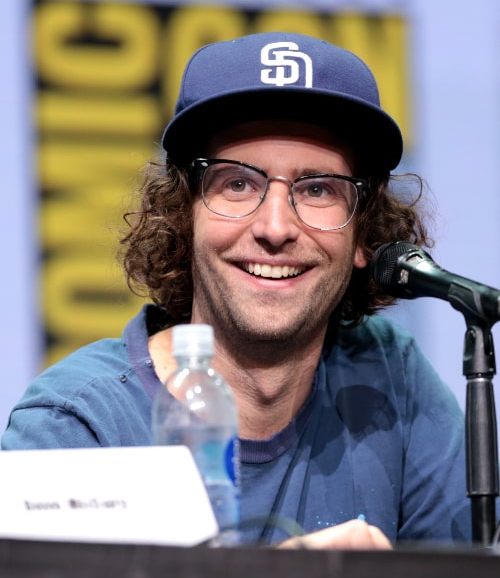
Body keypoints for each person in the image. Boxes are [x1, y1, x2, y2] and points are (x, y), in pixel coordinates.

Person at [2, 32, 471, 549]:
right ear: (183, 214)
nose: (275, 227)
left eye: (317, 189)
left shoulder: (392, 378)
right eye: (238, 184)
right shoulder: (79, 424)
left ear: (365, 234)